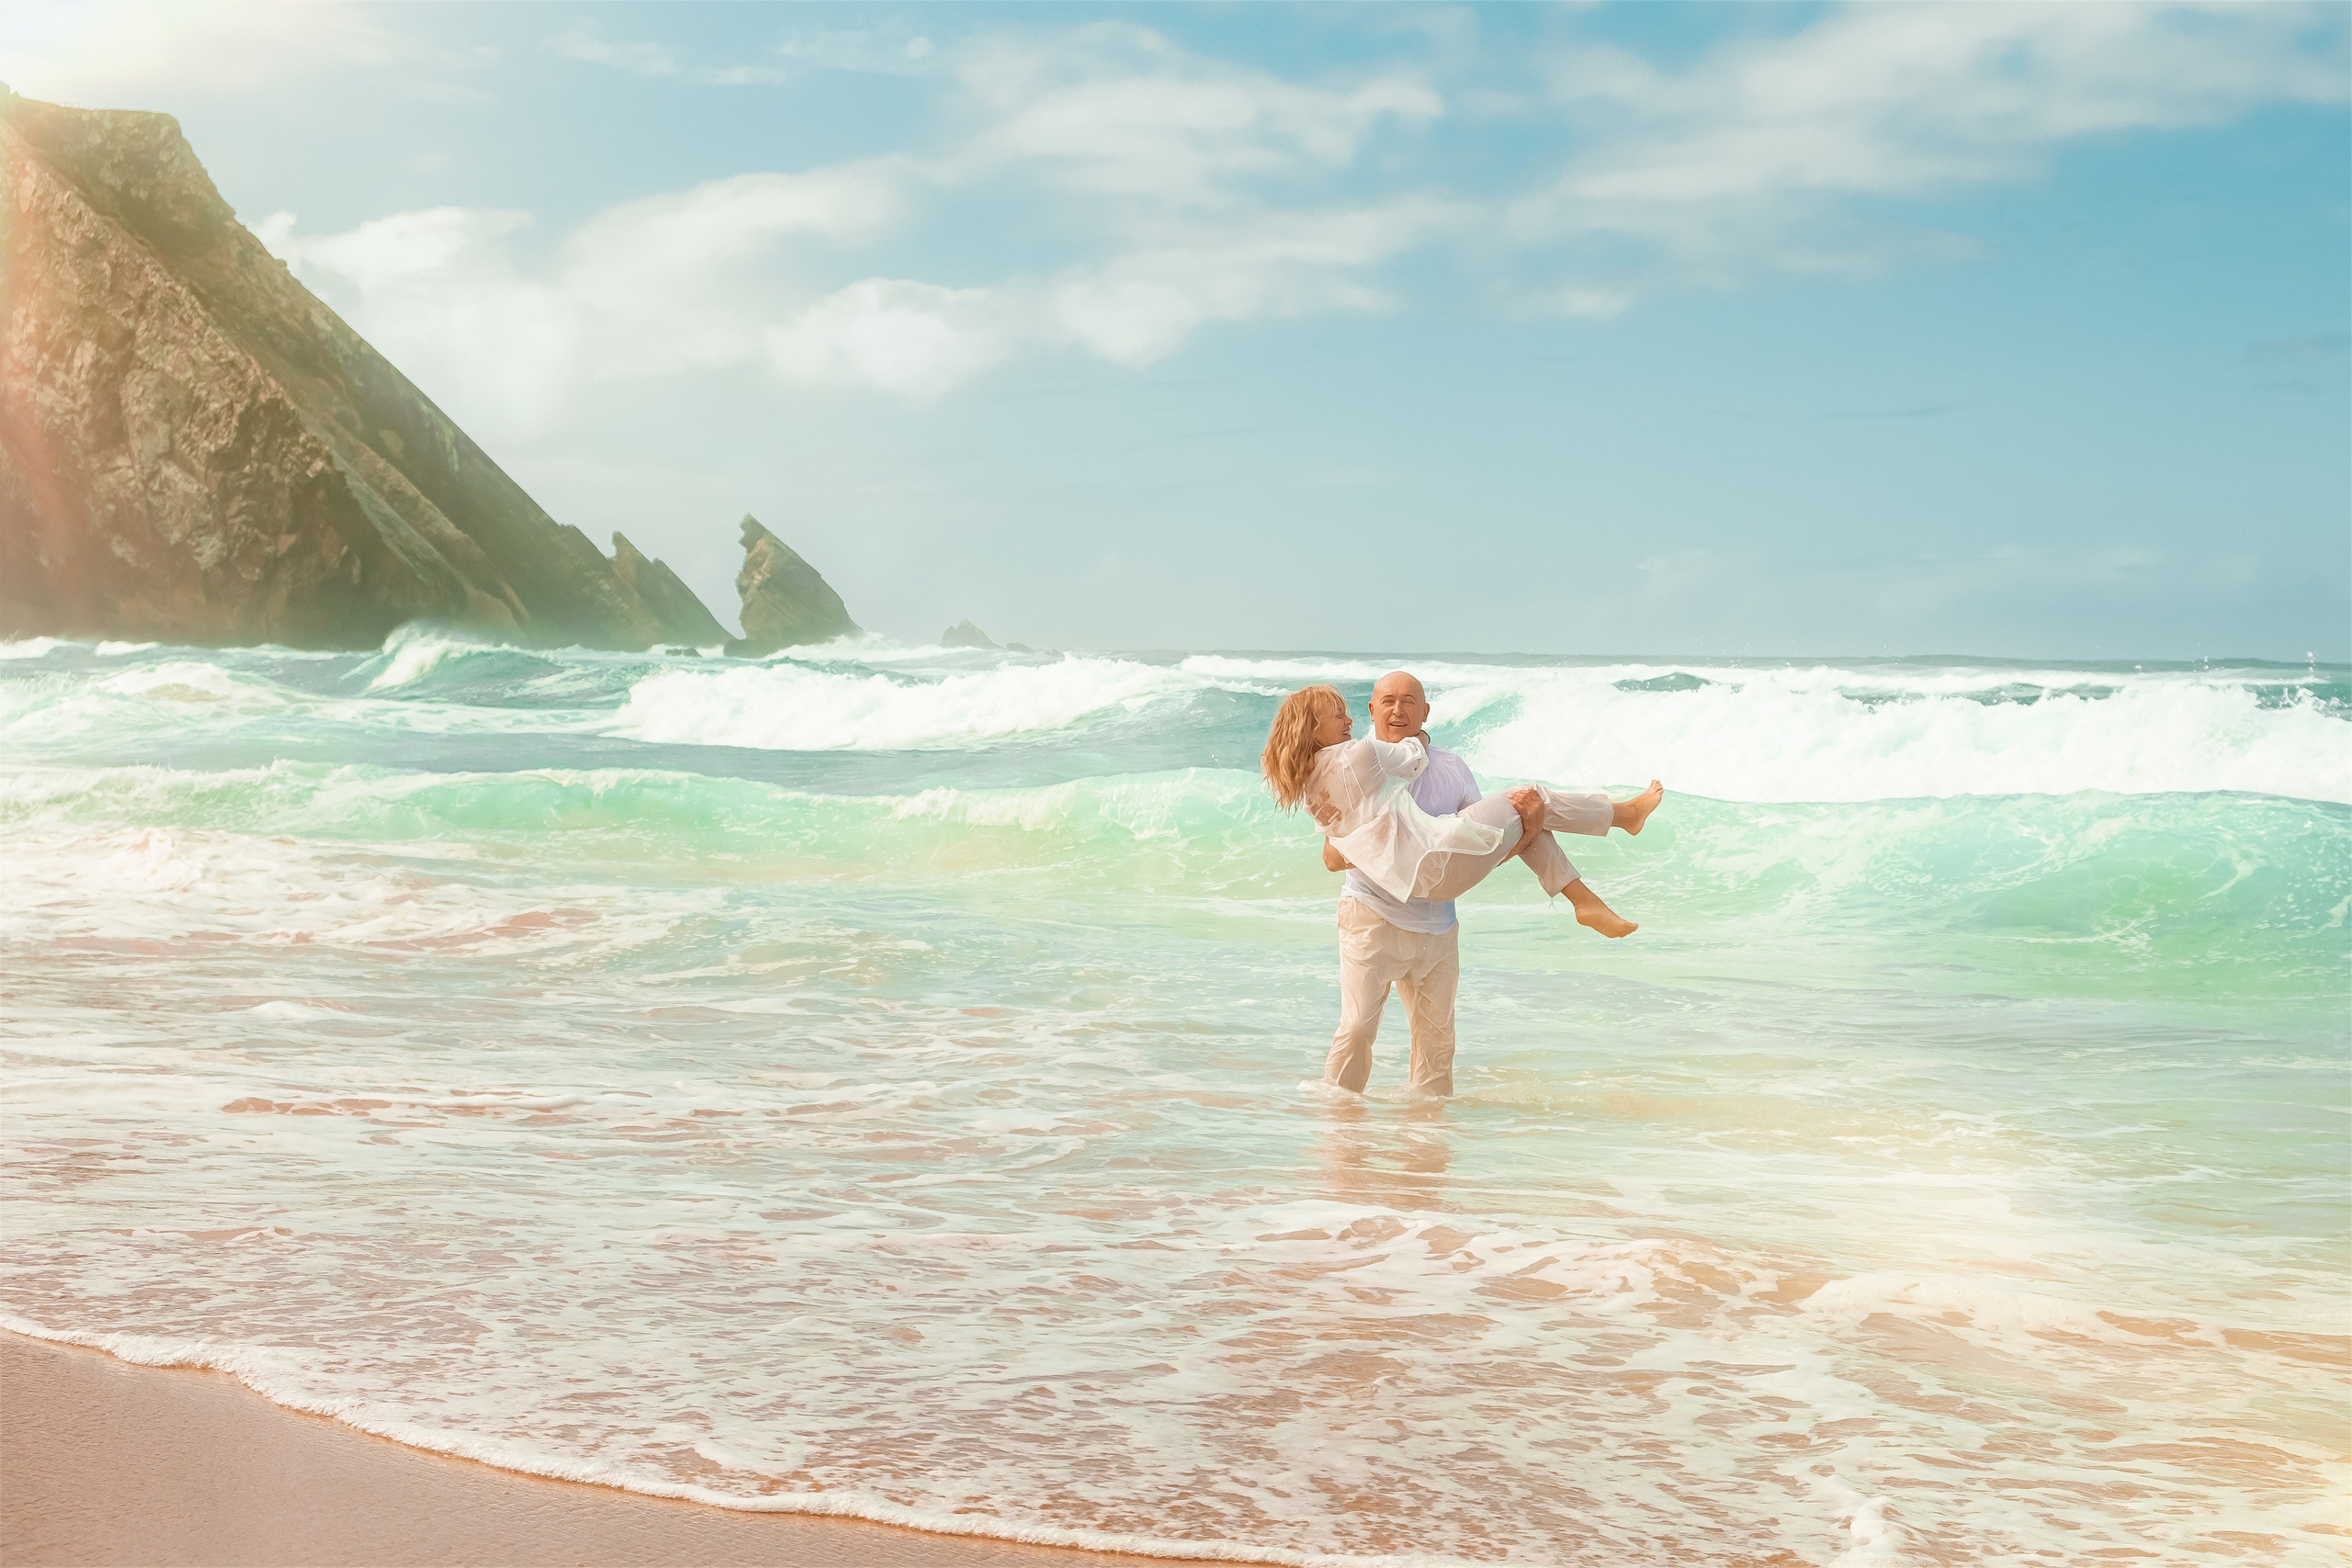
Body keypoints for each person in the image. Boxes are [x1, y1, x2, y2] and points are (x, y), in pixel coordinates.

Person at [1261, 680, 1663, 1091]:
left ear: (1425, 711)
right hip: (1380, 911)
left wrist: (1523, 833)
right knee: (1358, 1028)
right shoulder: (1362, 757)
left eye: (1408, 702)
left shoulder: (1331, 777)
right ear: (1370, 710)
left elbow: (1482, 842)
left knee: (1436, 1048)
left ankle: (1420, 1139)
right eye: (1386, 702)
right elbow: (1335, 853)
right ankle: (1616, 830)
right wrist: (1422, 747)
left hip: (1436, 911)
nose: (1396, 711)